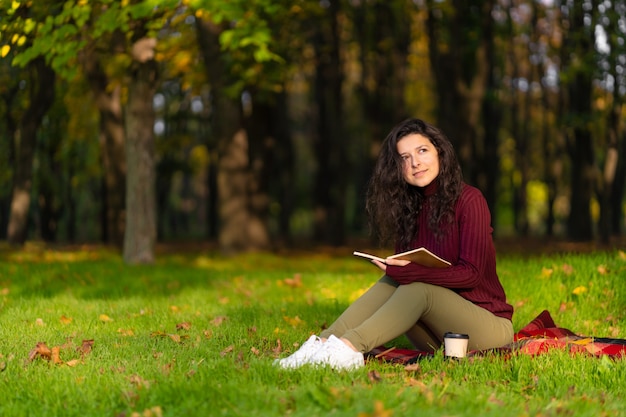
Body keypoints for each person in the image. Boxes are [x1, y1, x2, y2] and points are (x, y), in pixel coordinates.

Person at [275, 118, 514, 370]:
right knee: (395, 281)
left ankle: (348, 349)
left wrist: (411, 272)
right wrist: (401, 270)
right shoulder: (409, 209)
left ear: (440, 152)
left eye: (422, 151)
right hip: (436, 336)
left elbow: (472, 275)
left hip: (487, 330)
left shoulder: (470, 200)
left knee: (415, 286)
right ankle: (323, 343)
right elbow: (408, 276)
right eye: (404, 158)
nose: (415, 163)